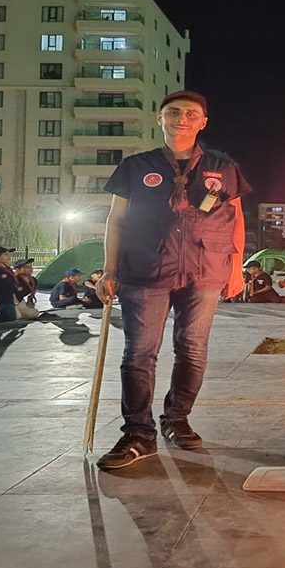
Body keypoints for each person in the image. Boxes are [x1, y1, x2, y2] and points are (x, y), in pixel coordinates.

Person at [95, 90, 250, 470]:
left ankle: (177, 420)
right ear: (159, 119)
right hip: (145, 269)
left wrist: (236, 267)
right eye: (174, 112)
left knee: (193, 348)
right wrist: (110, 269)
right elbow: (115, 221)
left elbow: (237, 218)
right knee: (139, 353)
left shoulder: (223, 167)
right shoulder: (136, 166)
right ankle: (138, 434)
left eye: (191, 113)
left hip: (205, 268)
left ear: (203, 122)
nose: (182, 118)